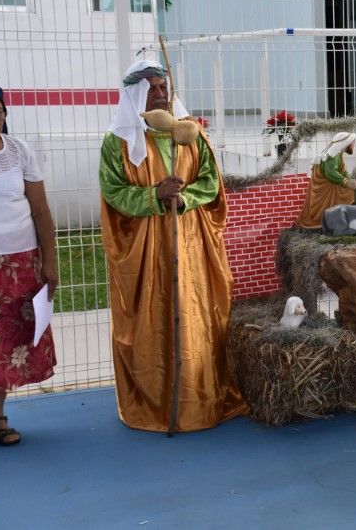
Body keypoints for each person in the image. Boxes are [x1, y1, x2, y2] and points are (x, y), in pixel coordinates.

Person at [99, 59, 247, 432]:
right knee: (151, 322)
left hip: (192, 243)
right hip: (145, 249)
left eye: (163, 86)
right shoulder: (118, 142)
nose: (160, 93)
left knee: (195, 317)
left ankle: (200, 403)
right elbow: (114, 192)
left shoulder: (192, 134)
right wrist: (154, 195)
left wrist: (183, 198)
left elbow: (210, 182)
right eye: (151, 87)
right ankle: (156, 406)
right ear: (135, 94)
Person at [0, 79, 57, 445]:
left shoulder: (20, 152)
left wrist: (50, 262)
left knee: (6, 342)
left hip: (18, 264)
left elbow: (41, 211)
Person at [297, 132, 356, 229]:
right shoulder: (332, 156)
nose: (353, 144)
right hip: (325, 186)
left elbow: (342, 170)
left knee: (349, 192)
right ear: (346, 143)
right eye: (352, 142)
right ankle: (331, 220)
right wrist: (346, 182)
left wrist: (349, 179)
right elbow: (330, 173)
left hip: (334, 182)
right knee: (348, 193)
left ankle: (339, 218)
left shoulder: (339, 154)